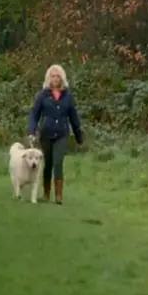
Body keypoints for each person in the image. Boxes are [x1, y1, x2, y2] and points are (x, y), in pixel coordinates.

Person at [27, 64, 83, 205]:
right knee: (48, 163)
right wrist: (31, 131)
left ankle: (58, 196)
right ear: (49, 78)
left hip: (62, 134)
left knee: (58, 163)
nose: (55, 79)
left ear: (62, 78)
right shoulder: (42, 95)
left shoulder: (68, 96)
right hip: (46, 133)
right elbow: (34, 115)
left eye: (58, 76)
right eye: (53, 76)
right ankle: (46, 194)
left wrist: (79, 136)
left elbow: (74, 117)